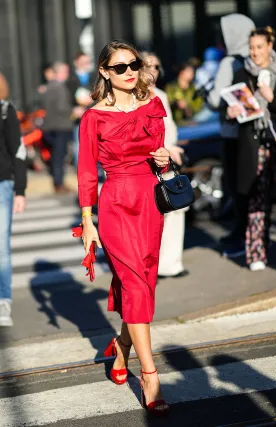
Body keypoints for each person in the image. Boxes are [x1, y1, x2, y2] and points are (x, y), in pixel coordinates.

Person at [77, 40, 170, 416]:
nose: (129, 71)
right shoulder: (94, 117)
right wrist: (87, 221)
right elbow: (86, 172)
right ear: (104, 72)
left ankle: (122, 346)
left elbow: (160, 161)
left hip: (150, 203)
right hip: (115, 204)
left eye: (134, 64)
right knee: (134, 283)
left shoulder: (153, 105)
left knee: (144, 284)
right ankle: (150, 375)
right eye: (120, 67)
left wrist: (163, 159)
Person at [227, 26, 276, 271]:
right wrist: (231, 112)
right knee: (256, 200)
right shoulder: (242, 74)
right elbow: (232, 107)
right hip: (254, 144)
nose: (255, 52)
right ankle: (256, 252)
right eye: (251, 48)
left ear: (270, 46)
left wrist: (272, 98)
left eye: (260, 47)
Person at [207, 14, 255, 258]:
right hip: (254, 133)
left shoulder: (229, 62)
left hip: (233, 133)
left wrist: (208, 94)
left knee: (237, 188)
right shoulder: (255, 58)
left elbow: (216, 99)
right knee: (252, 189)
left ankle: (241, 237)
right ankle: (250, 236)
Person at [141, 51, 189, 279]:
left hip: (168, 161)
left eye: (156, 67)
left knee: (176, 208)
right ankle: (151, 265)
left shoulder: (160, 94)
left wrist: (172, 148)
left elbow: (169, 127)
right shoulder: (134, 98)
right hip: (147, 166)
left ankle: (171, 264)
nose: (152, 71)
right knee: (152, 216)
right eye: (147, 66)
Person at [0, 99, 27, 326]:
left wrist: (20, 190)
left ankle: (3, 301)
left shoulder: (4, 110)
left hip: (2, 185)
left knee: (1, 247)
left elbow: (18, 149)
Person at [42, 62, 73, 194]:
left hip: (51, 125)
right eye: (65, 71)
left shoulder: (49, 86)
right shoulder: (60, 87)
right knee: (60, 155)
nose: (67, 74)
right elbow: (62, 107)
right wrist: (74, 111)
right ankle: (59, 183)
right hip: (62, 125)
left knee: (56, 155)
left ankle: (58, 181)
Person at [66, 52, 94, 166]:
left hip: (93, 114)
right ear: (76, 63)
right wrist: (74, 109)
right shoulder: (70, 79)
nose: (85, 64)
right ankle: (81, 169)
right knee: (80, 143)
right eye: (82, 62)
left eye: (87, 62)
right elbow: (67, 97)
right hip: (78, 117)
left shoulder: (94, 77)